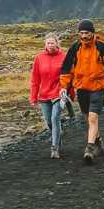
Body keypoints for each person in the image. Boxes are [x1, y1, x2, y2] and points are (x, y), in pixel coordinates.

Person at [59, 20, 104, 165]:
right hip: (81, 88)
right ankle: (98, 142)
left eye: (86, 33)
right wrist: (64, 87)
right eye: (81, 33)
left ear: (92, 32)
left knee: (93, 118)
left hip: (97, 87)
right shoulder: (75, 48)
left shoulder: (102, 48)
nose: (84, 36)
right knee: (88, 119)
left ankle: (89, 149)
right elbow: (66, 69)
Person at [29, 31, 66, 159]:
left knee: (55, 118)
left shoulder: (63, 56)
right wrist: (33, 98)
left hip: (58, 93)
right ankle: (58, 134)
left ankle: (54, 148)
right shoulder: (39, 58)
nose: (50, 45)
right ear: (45, 44)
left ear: (57, 43)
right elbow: (35, 79)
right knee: (50, 122)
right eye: (48, 43)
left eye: (52, 42)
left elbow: (67, 76)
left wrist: (67, 92)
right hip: (44, 95)